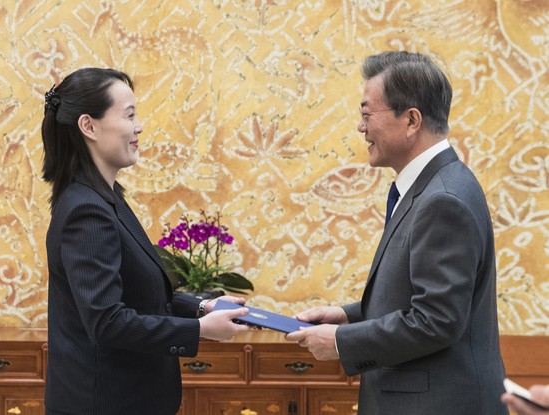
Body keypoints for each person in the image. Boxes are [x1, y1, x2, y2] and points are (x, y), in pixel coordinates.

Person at [286, 51, 508, 414]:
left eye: (366, 114)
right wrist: (347, 316)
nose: (360, 127)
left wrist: (342, 341)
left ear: (411, 120)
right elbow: (418, 297)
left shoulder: (443, 199)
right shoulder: (435, 185)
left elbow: (436, 320)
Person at [41, 67, 250, 415]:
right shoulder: (87, 211)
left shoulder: (107, 199)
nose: (139, 127)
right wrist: (198, 330)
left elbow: (135, 296)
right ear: (89, 126)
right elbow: (107, 322)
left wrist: (201, 307)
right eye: (130, 115)